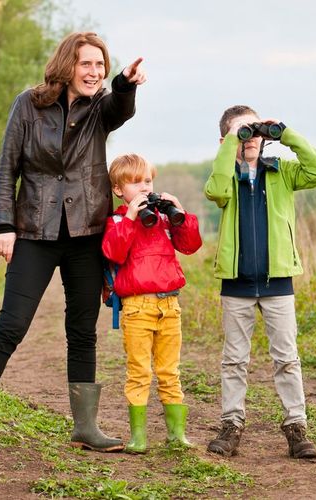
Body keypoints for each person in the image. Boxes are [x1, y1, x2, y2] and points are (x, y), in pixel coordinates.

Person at [0, 32, 147, 452]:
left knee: (82, 330)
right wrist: (4, 225)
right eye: (86, 64)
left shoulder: (99, 109)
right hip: (34, 231)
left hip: (86, 234)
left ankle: (86, 427)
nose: (94, 72)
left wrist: (125, 84)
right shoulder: (28, 104)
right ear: (67, 65)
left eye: (100, 65)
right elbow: (7, 167)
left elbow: (120, 108)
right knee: (12, 323)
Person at [203, 105, 316, 459]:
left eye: (255, 130)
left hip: (278, 281)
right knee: (234, 360)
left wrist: (285, 134)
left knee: (287, 358)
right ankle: (230, 426)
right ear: (226, 139)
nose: (251, 137)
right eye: (242, 132)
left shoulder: (283, 172)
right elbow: (215, 192)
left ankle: (296, 427)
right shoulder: (226, 177)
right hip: (237, 283)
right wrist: (229, 146)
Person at [101, 153, 202, 454]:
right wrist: (131, 218)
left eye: (148, 181)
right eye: (135, 183)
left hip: (169, 306)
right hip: (136, 308)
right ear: (119, 190)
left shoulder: (162, 220)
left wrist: (178, 212)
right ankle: (139, 436)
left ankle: (176, 434)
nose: (144, 187)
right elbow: (113, 253)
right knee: (139, 371)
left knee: (170, 371)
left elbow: (190, 245)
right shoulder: (118, 221)